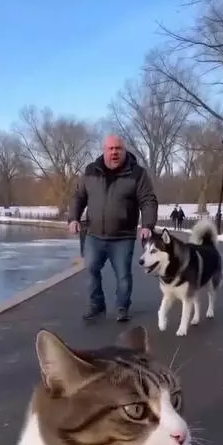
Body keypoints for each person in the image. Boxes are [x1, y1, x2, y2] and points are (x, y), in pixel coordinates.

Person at [68, 135, 158, 322]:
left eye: (118, 148)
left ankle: (122, 307)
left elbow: (148, 200)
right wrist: (73, 218)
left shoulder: (137, 173)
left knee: (123, 275)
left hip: (122, 236)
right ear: (104, 150)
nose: (114, 152)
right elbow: (78, 197)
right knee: (91, 268)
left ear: (124, 151)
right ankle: (97, 304)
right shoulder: (91, 171)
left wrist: (147, 225)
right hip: (94, 234)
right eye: (110, 148)